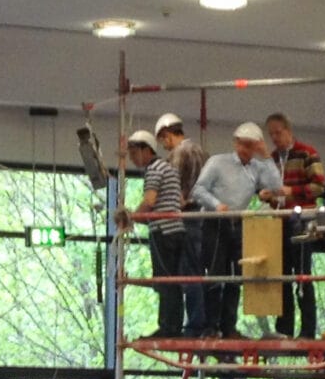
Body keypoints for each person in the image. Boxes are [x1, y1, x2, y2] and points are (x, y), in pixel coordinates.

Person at [186, 122, 287, 338]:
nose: (245, 150)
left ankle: (228, 326)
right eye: (242, 144)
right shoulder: (217, 162)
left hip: (239, 222)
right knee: (215, 274)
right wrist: (216, 205)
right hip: (215, 222)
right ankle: (211, 326)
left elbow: (277, 187)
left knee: (236, 275)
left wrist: (265, 155)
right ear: (235, 143)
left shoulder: (257, 168)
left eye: (250, 146)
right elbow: (198, 190)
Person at [119, 130, 187, 340]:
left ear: (146, 150)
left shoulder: (154, 170)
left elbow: (150, 201)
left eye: (134, 153)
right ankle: (172, 326)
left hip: (163, 231)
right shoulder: (168, 168)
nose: (132, 158)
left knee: (165, 280)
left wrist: (130, 217)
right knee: (172, 280)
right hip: (175, 230)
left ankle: (168, 327)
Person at [263, 115, 325, 338]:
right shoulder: (272, 159)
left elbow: (319, 186)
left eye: (278, 132)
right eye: (271, 134)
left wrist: (292, 191)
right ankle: (284, 329)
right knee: (282, 276)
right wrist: (268, 196)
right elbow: (275, 195)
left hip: (302, 220)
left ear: (288, 130)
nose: (274, 138)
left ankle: (307, 330)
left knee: (302, 275)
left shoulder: (307, 153)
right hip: (279, 220)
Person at [154, 114, 208, 337]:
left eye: (163, 141)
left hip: (185, 218)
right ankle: (199, 322)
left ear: (167, 135)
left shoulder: (178, 154)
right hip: (203, 217)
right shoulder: (202, 152)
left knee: (185, 273)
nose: (164, 146)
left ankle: (192, 324)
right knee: (197, 271)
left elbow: (173, 189)